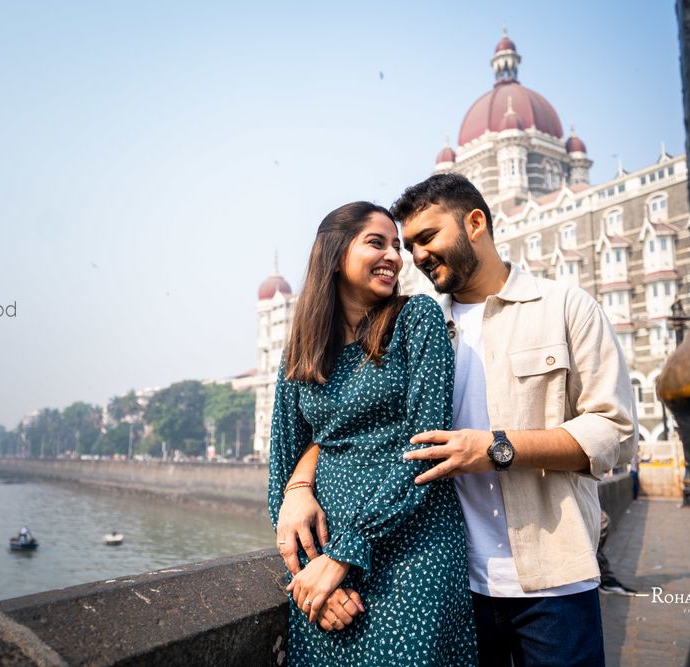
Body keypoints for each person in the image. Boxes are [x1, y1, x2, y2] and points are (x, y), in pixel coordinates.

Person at [282, 175, 636, 666]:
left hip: (550, 574)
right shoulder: (414, 323)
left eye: (426, 238)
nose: (416, 256)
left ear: (475, 224)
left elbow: (614, 433)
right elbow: (352, 426)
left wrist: (496, 449)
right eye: (409, 246)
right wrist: (298, 485)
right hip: (450, 577)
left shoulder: (564, 307)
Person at [268, 201, 476, 665]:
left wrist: (343, 555)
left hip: (411, 549)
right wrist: (311, 575)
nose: (394, 257)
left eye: (396, 246)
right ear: (335, 253)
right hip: (326, 570)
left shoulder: (414, 320)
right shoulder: (300, 353)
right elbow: (282, 469)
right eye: (376, 243)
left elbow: (427, 452)